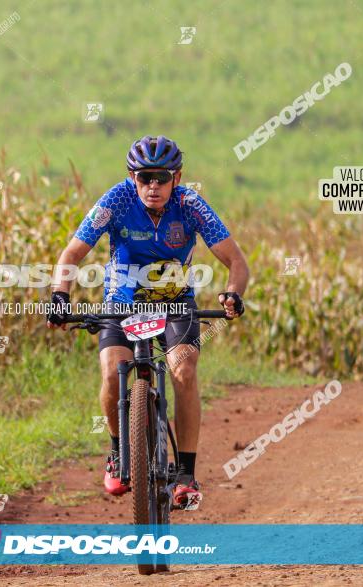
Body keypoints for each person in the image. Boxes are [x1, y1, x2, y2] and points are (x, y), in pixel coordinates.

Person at [47, 135, 250, 509]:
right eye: (144, 178)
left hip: (175, 304)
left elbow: (236, 261)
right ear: (131, 176)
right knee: (112, 372)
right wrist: (60, 295)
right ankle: (116, 450)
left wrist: (232, 294)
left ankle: (186, 474)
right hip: (121, 303)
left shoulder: (191, 205)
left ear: (177, 177)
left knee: (184, 370)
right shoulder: (116, 201)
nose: (152, 186)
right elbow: (72, 252)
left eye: (161, 177)